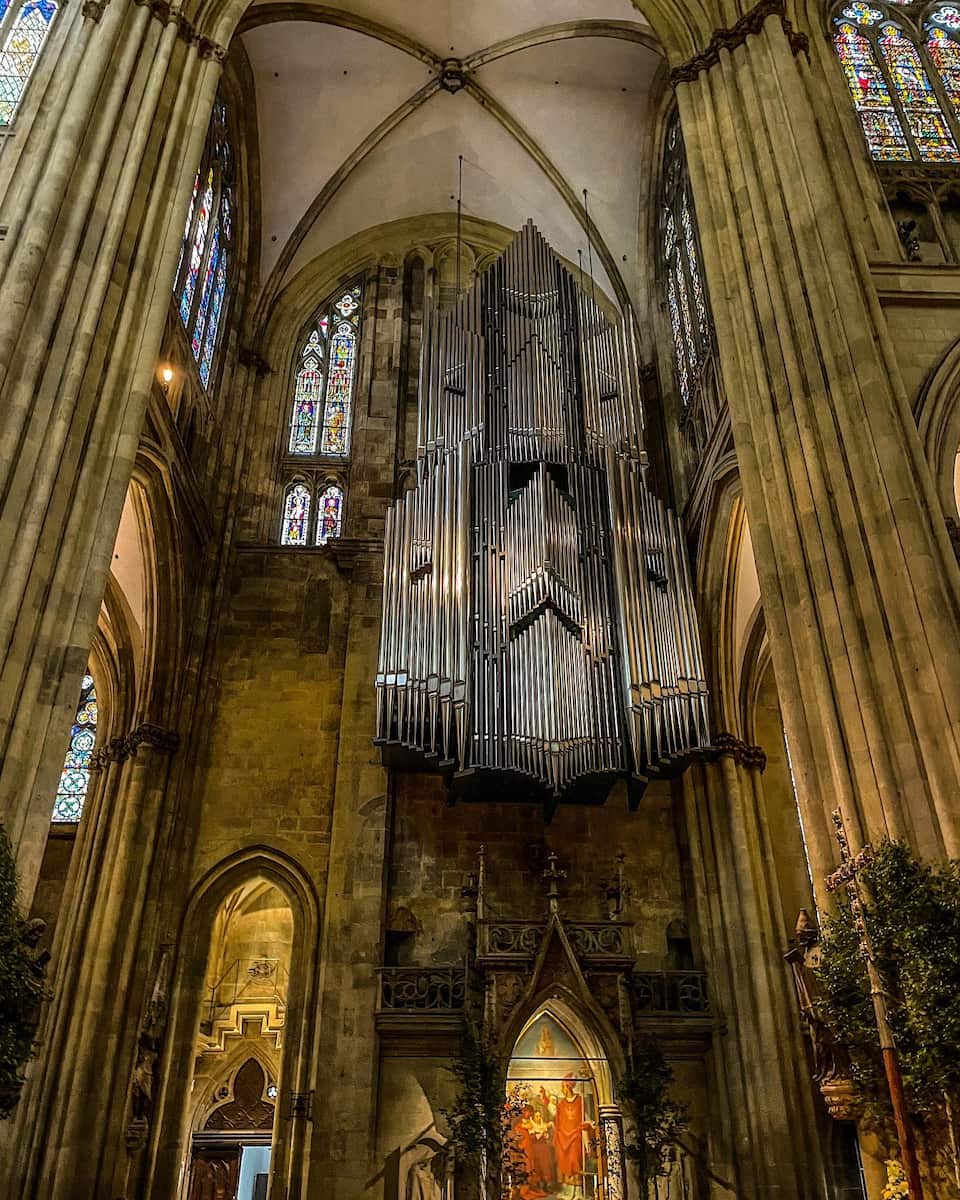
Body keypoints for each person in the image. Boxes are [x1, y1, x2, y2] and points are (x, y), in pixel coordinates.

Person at [540, 1075, 593, 1188]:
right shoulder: (561, 1104)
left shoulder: (580, 1101)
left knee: (575, 1151)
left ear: (568, 1087)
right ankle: (567, 1186)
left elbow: (585, 1116)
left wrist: (587, 1124)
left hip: (576, 1135)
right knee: (561, 1153)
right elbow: (554, 1114)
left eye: (563, 1087)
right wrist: (545, 1098)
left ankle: (577, 1184)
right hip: (563, 1136)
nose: (562, 1089)